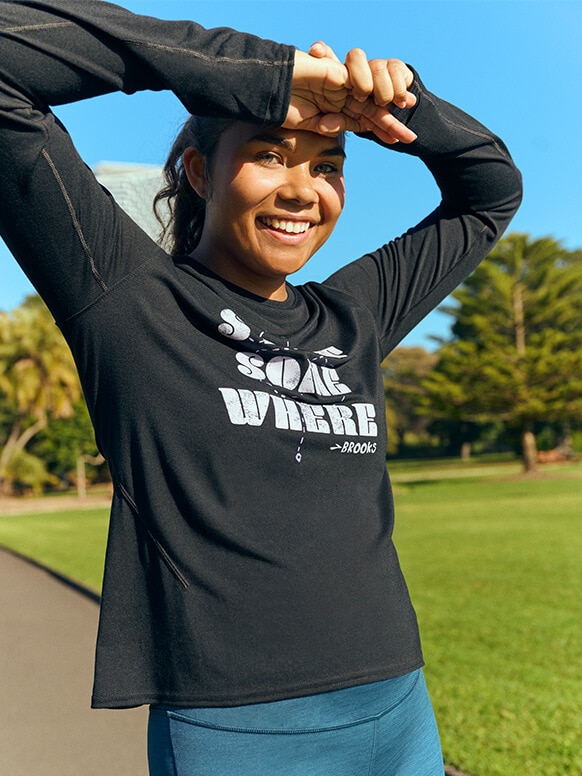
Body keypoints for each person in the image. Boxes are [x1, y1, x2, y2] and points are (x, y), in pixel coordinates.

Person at [0, 1, 522, 774]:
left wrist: (400, 101)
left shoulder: (354, 314)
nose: (304, 190)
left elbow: (490, 191)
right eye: (270, 154)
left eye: (328, 166)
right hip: (238, 730)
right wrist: (262, 74)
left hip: (398, 706)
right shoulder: (128, 300)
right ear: (199, 171)